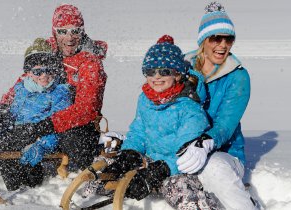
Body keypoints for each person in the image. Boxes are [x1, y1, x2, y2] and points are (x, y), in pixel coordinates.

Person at [85, 35, 222, 208]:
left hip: (178, 169)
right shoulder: (145, 100)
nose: (156, 77)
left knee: (178, 189)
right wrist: (130, 154)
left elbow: (185, 152)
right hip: (150, 162)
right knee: (106, 167)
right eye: (150, 71)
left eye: (164, 71)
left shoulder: (189, 108)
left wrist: (161, 170)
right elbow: (139, 132)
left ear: (177, 74)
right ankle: (83, 199)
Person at [0, 4, 108, 171]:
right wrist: (1, 109)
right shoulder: (48, 50)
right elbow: (27, 79)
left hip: (76, 126)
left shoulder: (90, 62)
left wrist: (44, 126)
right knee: (10, 124)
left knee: (72, 138)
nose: (70, 38)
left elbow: (86, 109)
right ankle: (0, 166)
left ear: (82, 31)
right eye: (63, 31)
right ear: (54, 31)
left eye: (75, 31)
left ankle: (66, 175)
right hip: (42, 116)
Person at [176, 2, 258, 209]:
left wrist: (205, 143)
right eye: (216, 38)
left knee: (212, 168)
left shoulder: (238, 76)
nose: (223, 45)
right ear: (204, 40)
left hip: (224, 152)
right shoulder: (183, 67)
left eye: (228, 39)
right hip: (180, 145)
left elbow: (226, 123)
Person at [0, 38, 72, 191]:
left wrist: (42, 145)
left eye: (49, 70)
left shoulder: (59, 92)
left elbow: (59, 126)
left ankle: (23, 189)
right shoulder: (21, 90)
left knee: (12, 151)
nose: (44, 76)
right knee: (0, 144)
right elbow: (9, 116)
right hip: (18, 134)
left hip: (39, 136)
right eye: (37, 72)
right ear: (28, 72)